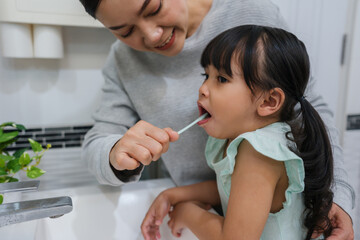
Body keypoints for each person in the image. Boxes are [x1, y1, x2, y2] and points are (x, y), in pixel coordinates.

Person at [78, 0, 354, 238]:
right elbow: (98, 141)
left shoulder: (257, 150)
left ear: (270, 101)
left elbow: (310, 104)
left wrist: (337, 193)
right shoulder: (121, 61)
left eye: (154, 8)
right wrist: (116, 153)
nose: (151, 36)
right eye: (125, 31)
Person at [141, 25, 336, 240]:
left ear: (269, 101)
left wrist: (186, 213)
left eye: (222, 79)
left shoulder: (260, 152)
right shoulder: (240, 140)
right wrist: (174, 195)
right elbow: (233, 191)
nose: (203, 88)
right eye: (206, 75)